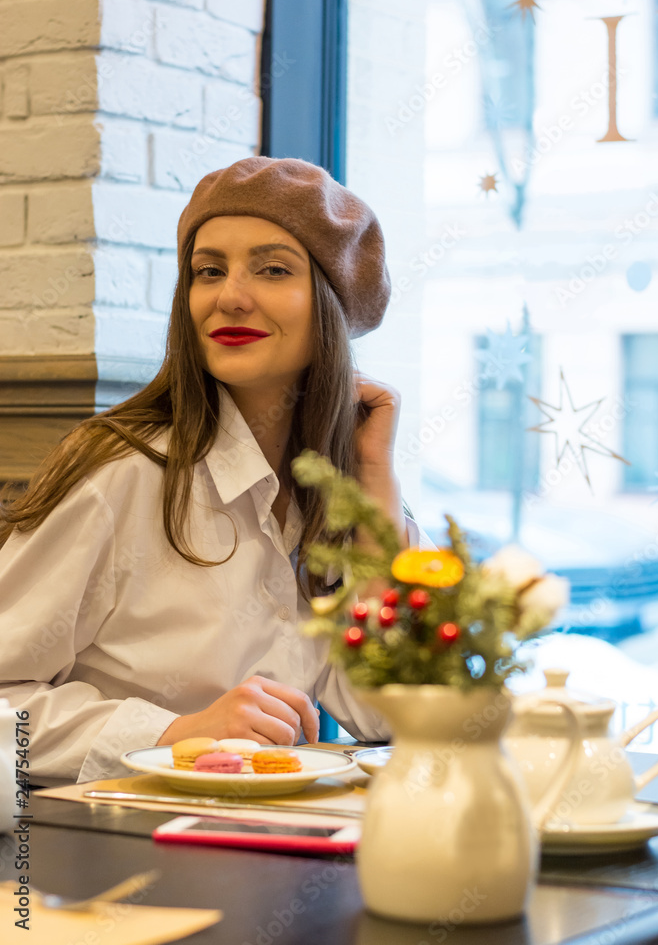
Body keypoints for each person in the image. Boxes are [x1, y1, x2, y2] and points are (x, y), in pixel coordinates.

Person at [0, 157, 432, 782]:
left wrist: (377, 490)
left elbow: (396, 712)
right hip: (108, 855)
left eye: (273, 269)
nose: (229, 296)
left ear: (332, 306)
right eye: (208, 271)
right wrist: (174, 735)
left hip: (270, 851)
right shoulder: (119, 472)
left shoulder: (340, 495)